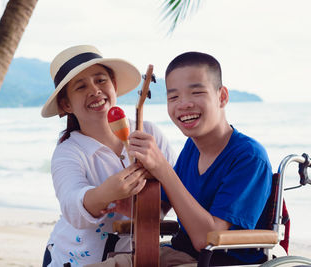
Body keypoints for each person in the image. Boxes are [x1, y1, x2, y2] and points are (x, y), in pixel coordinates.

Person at [126, 51, 273, 265]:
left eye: (196, 93)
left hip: (217, 262)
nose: (184, 104)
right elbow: (159, 208)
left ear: (222, 97)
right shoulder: (191, 149)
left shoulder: (249, 157)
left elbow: (207, 240)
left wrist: (163, 169)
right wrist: (123, 197)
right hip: (177, 254)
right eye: (173, 97)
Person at [41, 45, 176, 266]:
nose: (94, 90)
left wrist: (148, 209)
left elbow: (175, 188)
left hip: (132, 257)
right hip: (73, 259)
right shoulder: (68, 151)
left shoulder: (149, 133)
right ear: (66, 104)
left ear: (114, 85)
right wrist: (105, 193)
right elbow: (71, 206)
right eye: (81, 86)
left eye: (101, 80)